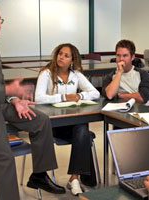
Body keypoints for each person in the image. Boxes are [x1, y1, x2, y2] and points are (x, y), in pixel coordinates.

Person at [0, 3, 65, 200]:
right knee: (5, 159)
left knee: (41, 120)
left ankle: (39, 176)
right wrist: (7, 90)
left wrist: (14, 99)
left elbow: (0, 85)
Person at [35, 43, 100, 196]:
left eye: (66, 55)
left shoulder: (76, 75)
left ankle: (75, 177)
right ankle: (75, 179)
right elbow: (38, 98)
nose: (61, 57)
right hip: (53, 126)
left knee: (82, 128)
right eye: (60, 54)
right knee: (82, 131)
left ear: (72, 60)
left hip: (72, 124)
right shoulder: (46, 73)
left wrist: (80, 96)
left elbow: (95, 93)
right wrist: (63, 97)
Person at [102, 39, 149, 104]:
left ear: (132, 57)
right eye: (118, 55)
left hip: (140, 110)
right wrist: (119, 73)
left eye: (125, 55)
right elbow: (109, 95)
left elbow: (142, 98)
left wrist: (119, 95)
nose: (121, 59)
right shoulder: (111, 76)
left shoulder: (142, 74)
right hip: (120, 110)